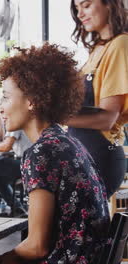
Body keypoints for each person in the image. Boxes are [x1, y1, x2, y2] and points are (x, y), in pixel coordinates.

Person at [0, 44, 110, 263]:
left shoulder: (42, 153)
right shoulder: (69, 143)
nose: (0, 108)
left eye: (6, 98)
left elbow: (36, 247)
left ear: (32, 101)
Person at [66, 0, 128, 197]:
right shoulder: (98, 49)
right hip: (83, 154)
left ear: (109, 4)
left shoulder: (120, 44)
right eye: (77, 9)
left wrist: (50, 114)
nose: (80, 14)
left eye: (86, 5)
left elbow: (107, 118)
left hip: (100, 156)